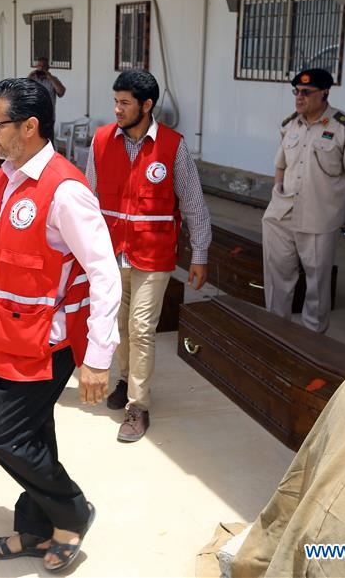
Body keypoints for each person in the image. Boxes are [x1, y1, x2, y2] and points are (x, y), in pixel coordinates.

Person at [0, 78, 121, 572]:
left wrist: (98, 359)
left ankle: (72, 510)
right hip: (12, 333)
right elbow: (0, 259)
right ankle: (34, 531)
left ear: (29, 127)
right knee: (35, 433)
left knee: (5, 437)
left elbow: (104, 273)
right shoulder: (8, 177)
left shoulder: (65, 189)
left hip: (47, 342)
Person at [85, 69, 211, 443]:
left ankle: (138, 406)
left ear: (147, 105)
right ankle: (124, 380)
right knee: (120, 326)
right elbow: (88, 198)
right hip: (112, 254)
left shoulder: (173, 146)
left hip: (153, 255)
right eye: (116, 101)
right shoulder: (102, 141)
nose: (117, 109)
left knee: (141, 328)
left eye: (125, 103)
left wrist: (200, 254)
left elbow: (194, 205)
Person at [264, 68, 345, 333]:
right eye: (296, 92)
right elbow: (281, 164)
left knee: (317, 284)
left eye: (306, 92)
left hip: (319, 217)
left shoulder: (344, 128)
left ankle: (313, 341)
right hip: (281, 214)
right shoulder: (290, 124)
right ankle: (275, 334)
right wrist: (276, 192)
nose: (299, 98)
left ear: (325, 93)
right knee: (277, 278)